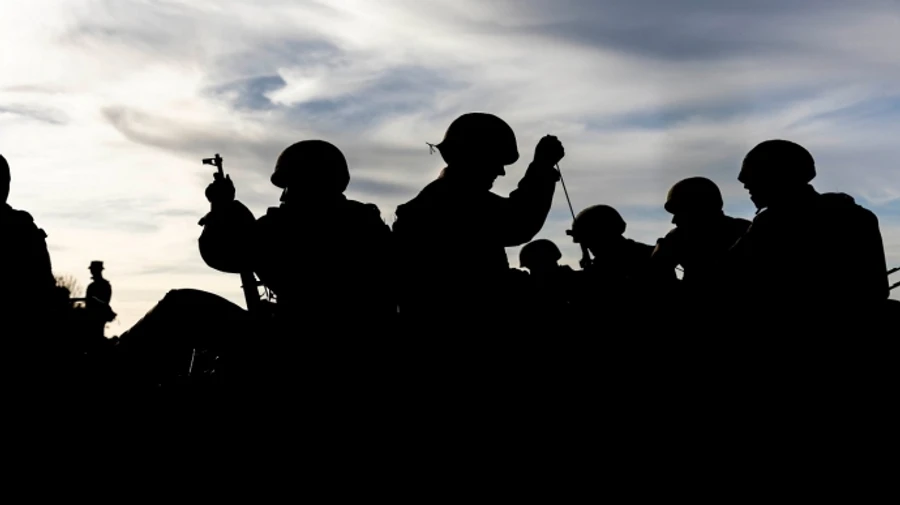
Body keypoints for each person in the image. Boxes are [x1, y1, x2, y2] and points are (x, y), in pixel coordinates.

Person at [391, 112, 564, 330]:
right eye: (496, 161)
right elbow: (518, 221)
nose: (501, 172)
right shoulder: (451, 200)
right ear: (475, 157)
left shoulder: (439, 198)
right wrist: (542, 168)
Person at [728, 140, 889, 330]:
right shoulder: (858, 216)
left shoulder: (771, 224)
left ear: (779, 176)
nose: (745, 184)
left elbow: (729, 278)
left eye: (754, 174)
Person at [652, 177, 750, 307]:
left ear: (699, 209)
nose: (674, 220)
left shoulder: (745, 231)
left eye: (680, 212)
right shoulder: (677, 237)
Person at [568, 205, 676, 318]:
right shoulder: (601, 266)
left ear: (605, 236)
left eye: (590, 241)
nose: (587, 247)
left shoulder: (650, 257)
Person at [85, 261, 114, 340]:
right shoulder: (91, 286)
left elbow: (105, 302)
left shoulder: (105, 285)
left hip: (99, 315)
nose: (92, 272)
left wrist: (94, 300)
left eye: (94, 269)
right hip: (90, 316)